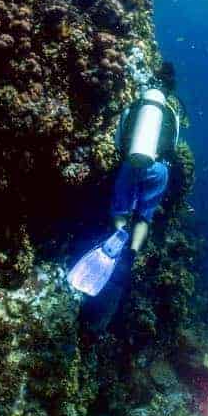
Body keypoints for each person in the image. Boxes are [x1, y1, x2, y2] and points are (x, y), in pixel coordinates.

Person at [72, 87, 179, 334]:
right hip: (159, 168)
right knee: (145, 214)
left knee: (120, 208)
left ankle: (118, 237)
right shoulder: (170, 115)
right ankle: (131, 252)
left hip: (131, 163)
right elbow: (172, 146)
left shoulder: (134, 108)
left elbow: (120, 140)